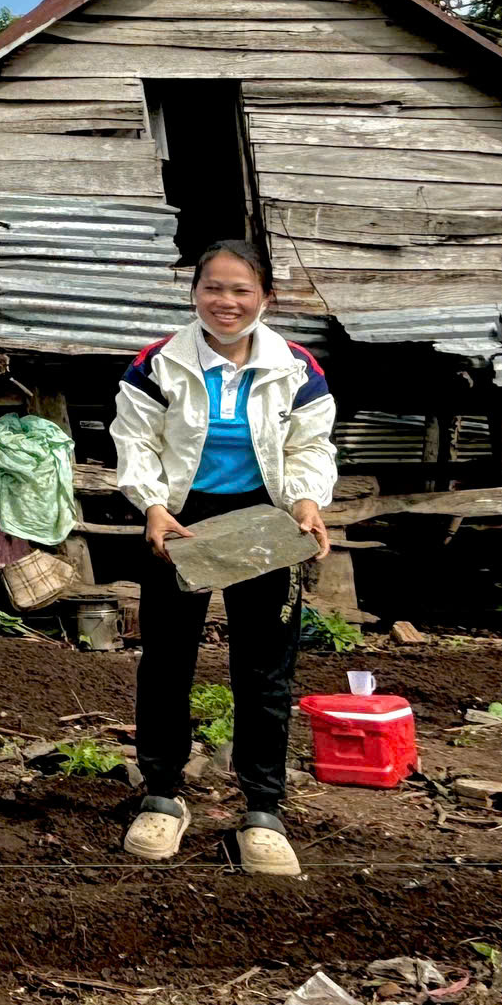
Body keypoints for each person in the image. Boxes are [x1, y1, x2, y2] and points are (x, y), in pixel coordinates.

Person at [112, 238, 335, 876]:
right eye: (214, 287)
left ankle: (262, 809)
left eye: (242, 290)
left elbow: (311, 444)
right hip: (179, 523)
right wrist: (152, 504)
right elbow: (135, 441)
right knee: (167, 659)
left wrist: (306, 500)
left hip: (266, 521)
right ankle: (161, 793)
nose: (227, 302)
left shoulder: (297, 367)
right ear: (194, 292)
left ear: (265, 297)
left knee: (264, 667)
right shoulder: (157, 363)